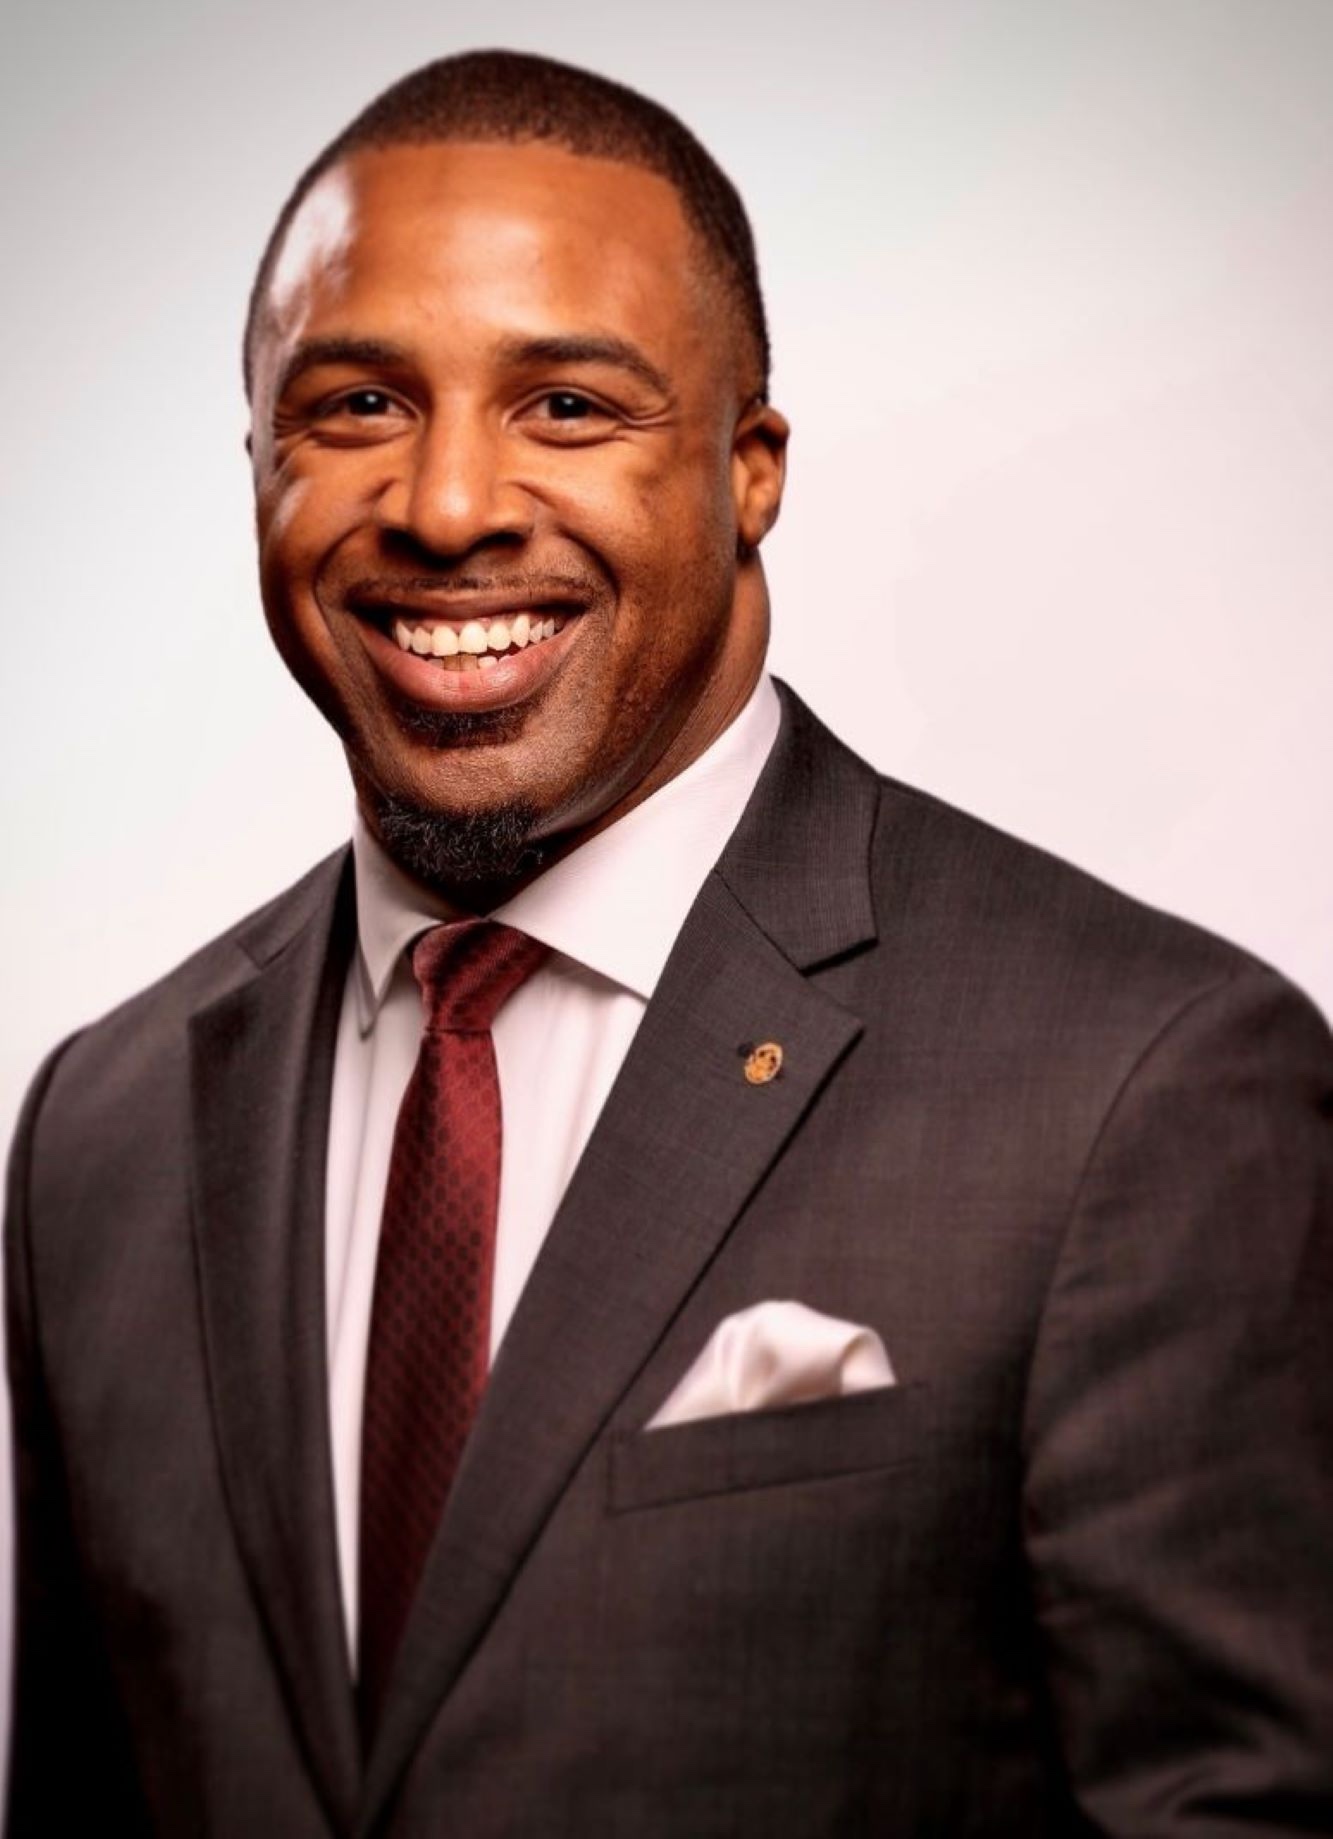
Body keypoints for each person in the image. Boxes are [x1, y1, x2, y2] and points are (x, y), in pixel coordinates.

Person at [5, 47, 1332, 1839]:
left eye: (566, 406)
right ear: (258, 460)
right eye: (358, 405)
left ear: (747, 469)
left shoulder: (1139, 1087)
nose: (448, 506)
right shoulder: (98, 1135)